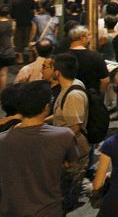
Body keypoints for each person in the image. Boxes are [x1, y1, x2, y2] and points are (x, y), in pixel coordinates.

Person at [0, 80, 79, 217]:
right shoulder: (64, 135)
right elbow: (72, 163)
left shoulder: (3, 140)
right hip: (49, 210)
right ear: (46, 107)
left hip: (11, 211)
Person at [47, 52, 91, 213]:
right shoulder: (70, 87)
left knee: (67, 196)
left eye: (51, 67)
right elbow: (62, 115)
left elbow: (74, 128)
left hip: (74, 152)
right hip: (69, 150)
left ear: (57, 72)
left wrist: (63, 153)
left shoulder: (73, 95)